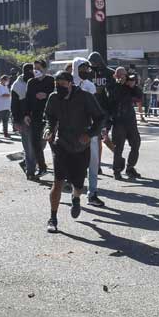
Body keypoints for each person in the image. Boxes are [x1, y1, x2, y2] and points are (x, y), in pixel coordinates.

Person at [43, 71, 105, 233]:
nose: (59, 88)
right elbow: (49, 116)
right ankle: (53, 218)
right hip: (61, 145)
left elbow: (100, 117)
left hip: (80, 146)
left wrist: (90, 134)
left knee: (78, 184)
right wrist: (49, 129)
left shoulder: (85, 97)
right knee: (58, 182)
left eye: (63, 84)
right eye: (57, 85)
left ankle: (76, 198)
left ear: (70, 83)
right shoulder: (54, 98)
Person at [73, 58, 105, 206]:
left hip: (90, 130)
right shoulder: (68, 85)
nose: (86, 71)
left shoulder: (90, 86)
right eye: (82, 68)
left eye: (87, 68)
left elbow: (96, 109)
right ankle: (74, 194)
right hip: (72, 132)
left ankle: (92, 193)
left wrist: (100, 127)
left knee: (93, 163)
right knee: (75, 165)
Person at [108, 70, 142, 179]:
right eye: (120, 75)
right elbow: (112, 97)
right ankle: (117, 170)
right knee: (118, 147)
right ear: (116, 75)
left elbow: (139, 96)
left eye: (124, 75)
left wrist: (133, 86)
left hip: (130, 120)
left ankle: (130, 167)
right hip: (118, 121)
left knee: (136, 143)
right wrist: (119, 84)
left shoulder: (129, 87)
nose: (123, 77)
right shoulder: (112, 85)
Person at [26, 60, 56, 175]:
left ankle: (60, 169)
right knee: (35, 143)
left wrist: (46, 95)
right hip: (35, 116)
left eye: (38, 68)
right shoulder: (31, 82)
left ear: (45, 69)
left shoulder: (51, 80)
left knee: (52, 142)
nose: (36, 71)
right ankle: (42, 167)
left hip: (49, 116)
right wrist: (26, 114)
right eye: (34, 68)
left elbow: (56, 95)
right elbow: (27, 99)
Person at [13, 63, 38, 179]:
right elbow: (14, 105)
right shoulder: (17, 85)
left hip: (38, 118)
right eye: (28, 71)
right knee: (29, 147)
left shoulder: (38, 81)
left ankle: (26, 163)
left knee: (39, 145)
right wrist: (16, 121)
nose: (30, 73)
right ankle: (30, 171)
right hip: (24, 119)